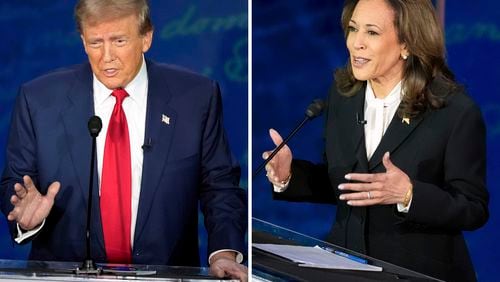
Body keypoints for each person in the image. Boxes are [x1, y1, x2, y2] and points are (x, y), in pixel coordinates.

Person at [0, 0, 247, 280]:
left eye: (118, 40)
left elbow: (220, 185)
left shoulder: (196, 97)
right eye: (95, 42)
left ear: (146, 38)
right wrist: (24, 216)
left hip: (166, 275)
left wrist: (225, 253)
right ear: (82, 41)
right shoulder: (39, 99)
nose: (107, 57)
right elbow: (16, 182)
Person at [262, 0, 488, 281]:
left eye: (371, 32)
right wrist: (289, 174)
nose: (356, 43)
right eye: (353, 29)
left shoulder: (453, 110)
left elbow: (473, 208)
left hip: (419, 273)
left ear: (407, 43)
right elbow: (347, 183)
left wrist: (409, 195)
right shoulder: (344, 96)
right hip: (348, 269)